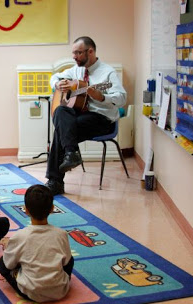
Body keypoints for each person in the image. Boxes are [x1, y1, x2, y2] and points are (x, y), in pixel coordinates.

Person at [46, 36, 127, 195]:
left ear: (90, 52)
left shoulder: (108, 73)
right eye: (73, 53)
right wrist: (56, 84)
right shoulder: (76, 70)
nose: (74, 57)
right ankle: (71, 153)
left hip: (101, 119)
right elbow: (54, 77)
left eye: (78, 53)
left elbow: (122, 98)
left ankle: (55, 181)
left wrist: (101, 97)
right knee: (61, 111)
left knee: (61, 130)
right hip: (80, 116)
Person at [0, 184, 74, 302]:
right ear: (52, 208)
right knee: (69, 258)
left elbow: (8, 265)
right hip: (60, 290)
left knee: (2, 264)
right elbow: (66, 262)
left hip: (31, 292)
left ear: (26, 210)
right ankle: (56, 281)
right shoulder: (61, 234)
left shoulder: (20, 236)